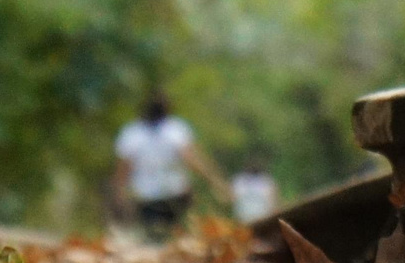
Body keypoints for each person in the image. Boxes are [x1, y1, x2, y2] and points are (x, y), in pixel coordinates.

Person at [111, 92, 228, 238]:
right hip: (174, 193)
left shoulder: (132, 133)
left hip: (148, 197)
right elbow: (192, 160)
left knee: (155, 234)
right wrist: (215, 181)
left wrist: (119, 192)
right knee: (179, 231)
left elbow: (123, 168)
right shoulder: (176, 130)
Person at [230, 153, 281, 225]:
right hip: (260, 220)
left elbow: (233, 200)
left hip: (247, 219)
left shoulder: (238, 181)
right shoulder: (267, 182)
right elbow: (274, 203)